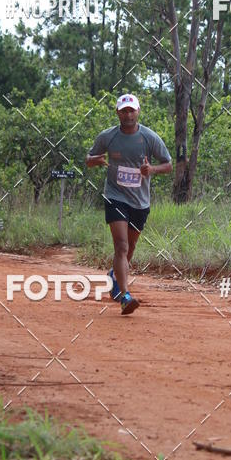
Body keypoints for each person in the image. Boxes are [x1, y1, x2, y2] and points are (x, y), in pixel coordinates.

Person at [86, 94, 172, 315]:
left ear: (138, 111)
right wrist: (95, 161)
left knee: (130, 248)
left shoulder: (149, 137)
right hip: (115, 196)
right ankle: (125, 296)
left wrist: (151, 170)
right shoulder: (108, 136)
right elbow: (89, 159)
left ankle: (114, 276)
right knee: (122, 246)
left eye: (131, 110)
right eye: (124, 111)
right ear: (117, 112)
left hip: (140, 201)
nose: (128, 115)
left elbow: (169, 164)